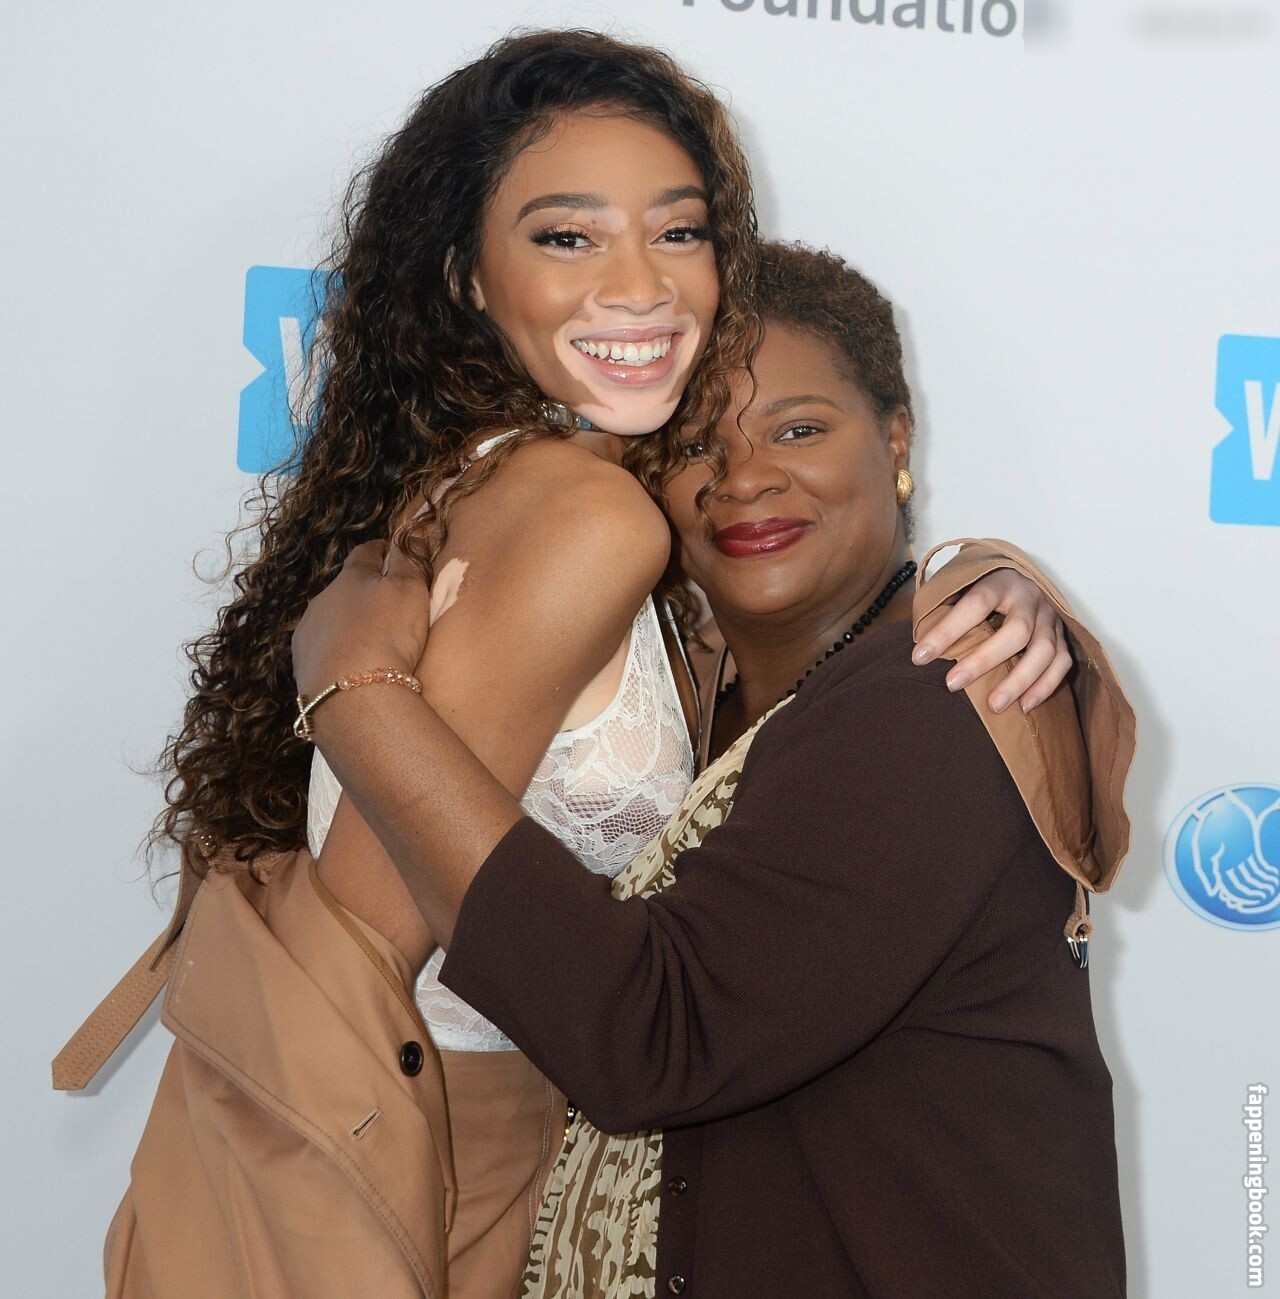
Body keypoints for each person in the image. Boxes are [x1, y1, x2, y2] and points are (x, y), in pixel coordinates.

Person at [57, 33, 1074, 1299]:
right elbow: (352, 956)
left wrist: (984, 572)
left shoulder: (529, 486)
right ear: (465, 278)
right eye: (567, 237)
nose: (637, 285)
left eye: (677, 230)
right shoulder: (589, 519)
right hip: (417, 1162)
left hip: (485, 1153)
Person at [291, 240, 1137, 1298]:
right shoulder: (700, 701)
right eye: (695, 443)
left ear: (895, 438)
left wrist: (357, 693)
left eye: (798, 429)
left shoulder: (938, 703)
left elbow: (651, 1035)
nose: (745, 477)